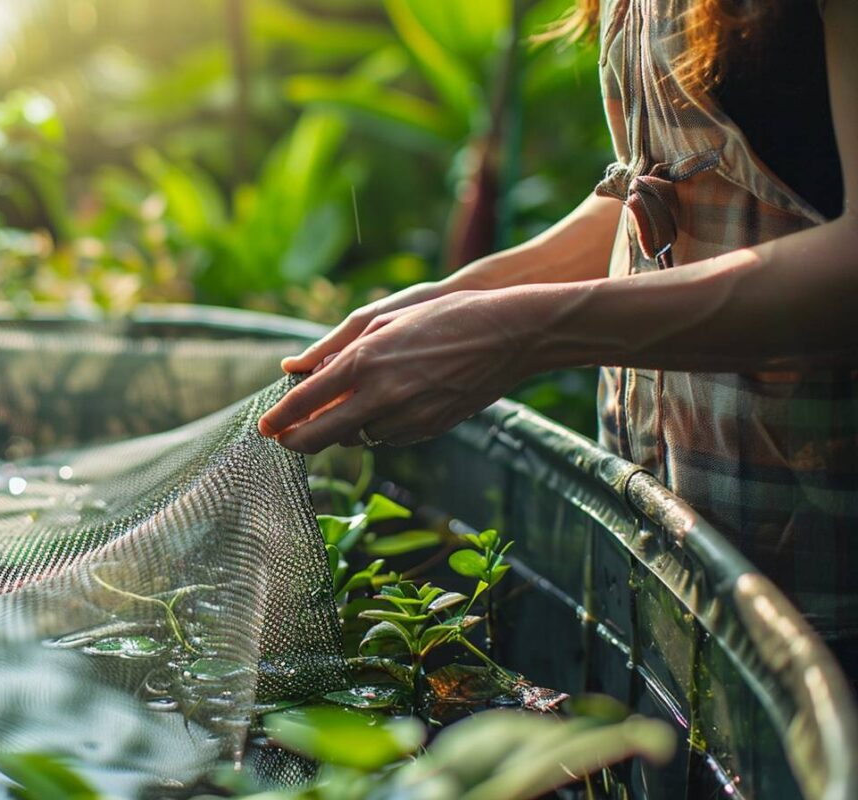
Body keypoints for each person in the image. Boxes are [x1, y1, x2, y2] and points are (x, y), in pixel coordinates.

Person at [258, 0, 858, 677]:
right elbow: (679, 178)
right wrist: (475, 293)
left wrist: (525, 332)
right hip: (670, 536)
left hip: (821, 569)